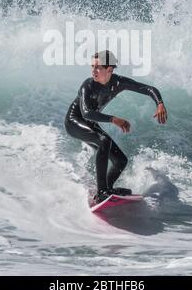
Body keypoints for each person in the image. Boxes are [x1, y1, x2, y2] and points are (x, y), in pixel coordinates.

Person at [65, 50, 167, 203]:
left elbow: (147, 89)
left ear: (109, 70)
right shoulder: (88, 85)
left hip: (90, 124)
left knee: (121, 161)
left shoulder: (118, 83)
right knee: (103, 140)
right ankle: (101, 192)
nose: (93, 71)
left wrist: (159, 103)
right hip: (74, 122)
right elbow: (86, 113)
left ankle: (108, 187)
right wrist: (113, 119)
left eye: (97, 67)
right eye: (92, 66)